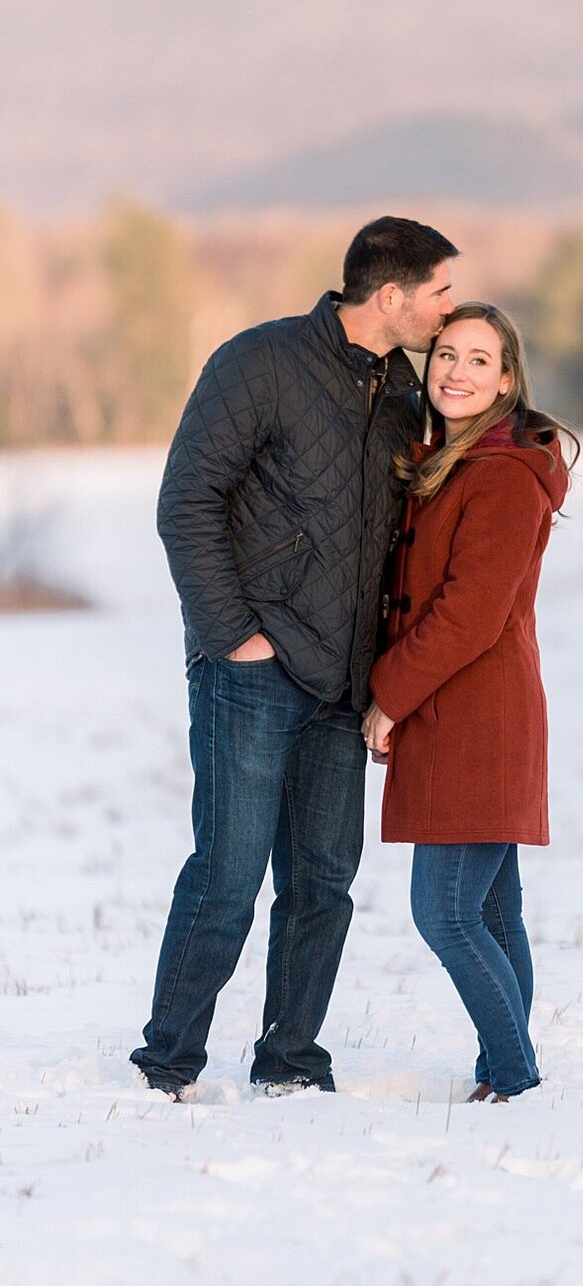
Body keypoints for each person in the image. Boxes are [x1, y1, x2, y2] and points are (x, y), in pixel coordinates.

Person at [131, 216, 458, 1098]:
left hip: (345, 681)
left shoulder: (404, 393)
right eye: (439, 291)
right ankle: (169, 1059)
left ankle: (289, 1059)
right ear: (390, 295)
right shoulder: (260, 362)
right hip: (253, 669)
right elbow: (186, 501)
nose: (448, 309)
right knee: (228, 874)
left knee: (323, 883)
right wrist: (232, 635)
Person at [361, 302, 576, 1103]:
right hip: (461, 709)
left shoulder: (503, 476)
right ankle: (503, 1071)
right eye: (446, 354)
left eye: (479, 359)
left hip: (480, 716)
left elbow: (469, 613)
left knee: (446, 912)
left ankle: (514, 1071)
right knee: (491, 909)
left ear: (508, 380)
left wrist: (388, 697)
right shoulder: (452, 462)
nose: (456, 371)